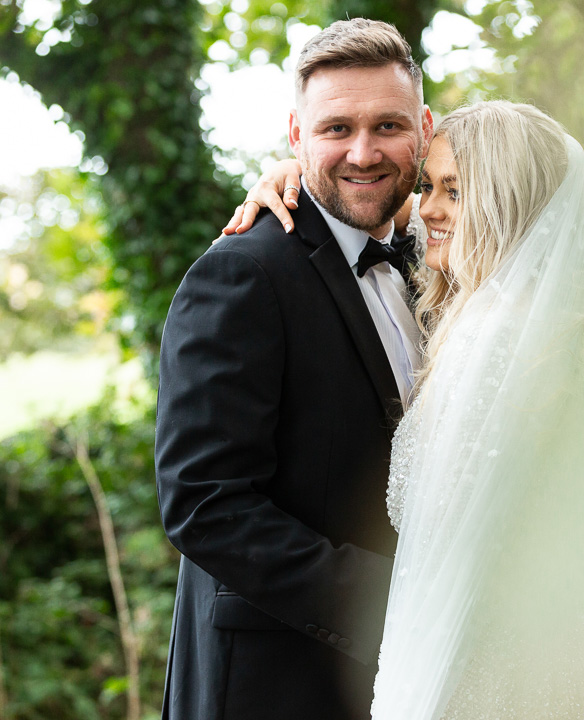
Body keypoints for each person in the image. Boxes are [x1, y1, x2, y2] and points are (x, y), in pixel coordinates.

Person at [231, 101, 584, 718]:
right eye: (428, 185)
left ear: (505, 204)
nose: (426, 209)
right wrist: (293, 173)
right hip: (549, 639)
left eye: (453, 191)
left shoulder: (500, 340)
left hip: (502, 670)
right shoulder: (549, 316)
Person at [154, 18, 433, 719]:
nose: (363, 152)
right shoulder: (243, 274)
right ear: (295, 137)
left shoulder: (440, 253)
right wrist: (396, 598)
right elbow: (204, 502)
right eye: (335, 128)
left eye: (388, 126)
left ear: (425, 129)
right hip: (278, 684)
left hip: (409, 675)